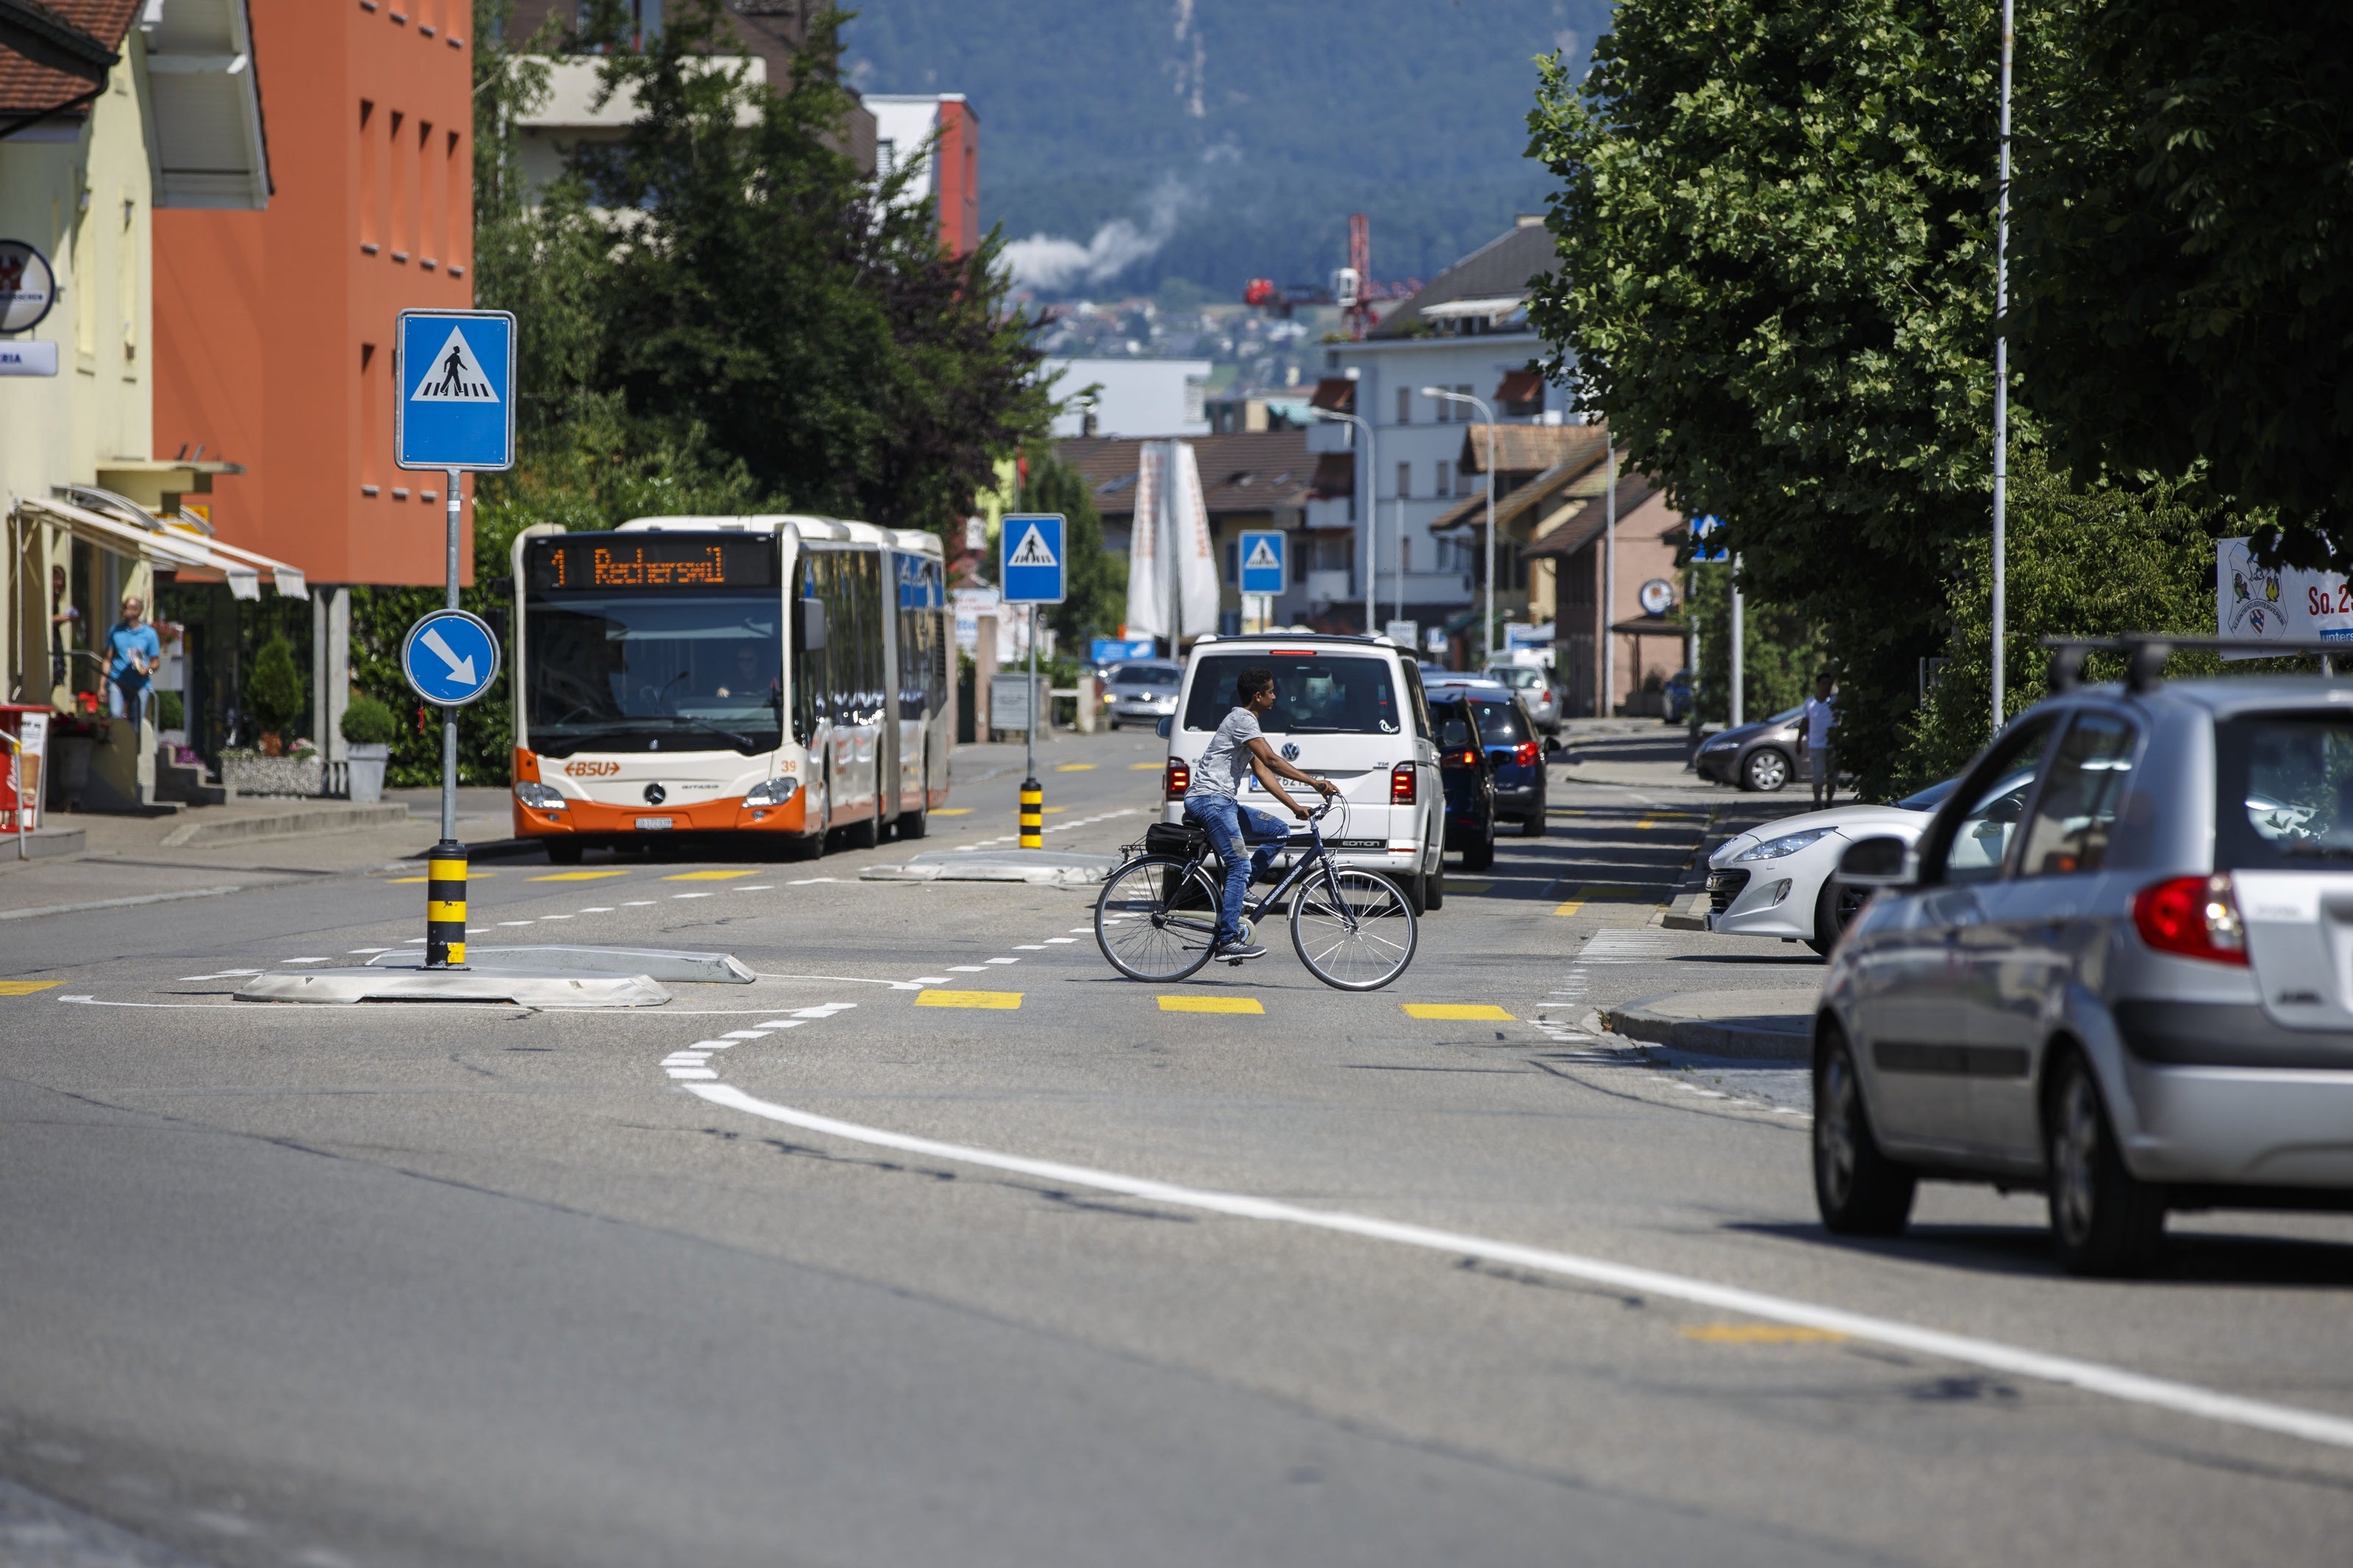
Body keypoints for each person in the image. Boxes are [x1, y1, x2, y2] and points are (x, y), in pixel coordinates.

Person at [1183, 667, 1338, 961]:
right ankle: (1227, 940)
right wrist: (1316, 783)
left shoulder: (1247, 723)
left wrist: (1295, 807)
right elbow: (1271, 759)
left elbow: (1263, 771)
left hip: (1221, 801)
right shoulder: (1242, 720)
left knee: (1279, 831)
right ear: (1258, 695)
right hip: (1210, 800)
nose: (1275, 696)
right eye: (1271, 691)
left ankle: (1239, 891)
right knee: (1238, 864)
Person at [104, 594, 160, 722]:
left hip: (140, 685)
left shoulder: (149, 634)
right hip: (117, 682)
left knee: (136, 723)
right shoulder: (115, 631)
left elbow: (156, 664)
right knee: (115, 716)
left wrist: (148, 670)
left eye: (125, 607)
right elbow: (107, 659)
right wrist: (102, 685)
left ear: (137, 611)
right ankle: (116, 742)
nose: (122, 610)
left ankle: (134, 742)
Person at [1804, 671, 1837, 806]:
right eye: (1824, 684)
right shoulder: (1810, 703)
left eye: (1829, 684)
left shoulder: (1834, 702)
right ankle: (1817, 802)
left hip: (1833, 745)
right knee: (1818, 776)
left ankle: (1829, 801)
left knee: (1832, 776)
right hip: (1816, 745)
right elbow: (1805, 722)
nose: (1827, 687)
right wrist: (1799, 740)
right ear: (1818, 685)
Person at [49, 565, 77, 690]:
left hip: (55, 640)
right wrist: (56, 619)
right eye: (56, 579)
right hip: (47, 642)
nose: (59, 583)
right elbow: (36, 618)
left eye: (62, 580)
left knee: (55, 676)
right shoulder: (45, 596)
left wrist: (62, 620)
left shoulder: (55, 598)